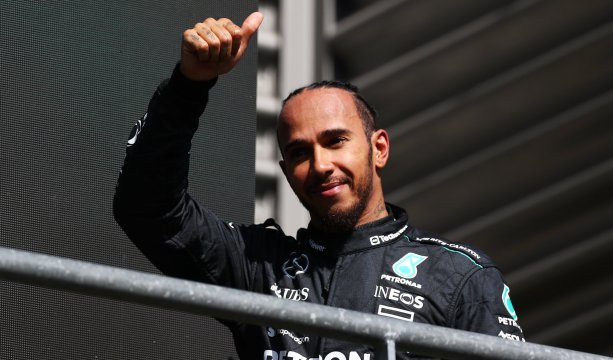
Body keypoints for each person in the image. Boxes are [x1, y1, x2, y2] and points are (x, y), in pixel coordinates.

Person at [113, 12, 525, 360]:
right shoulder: (259, 267)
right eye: (299, 153)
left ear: (378, 149)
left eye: (335, 141)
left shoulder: (458, 275)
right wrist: (191, 83)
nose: (320, 165)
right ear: (285, 169)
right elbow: (147, 208)